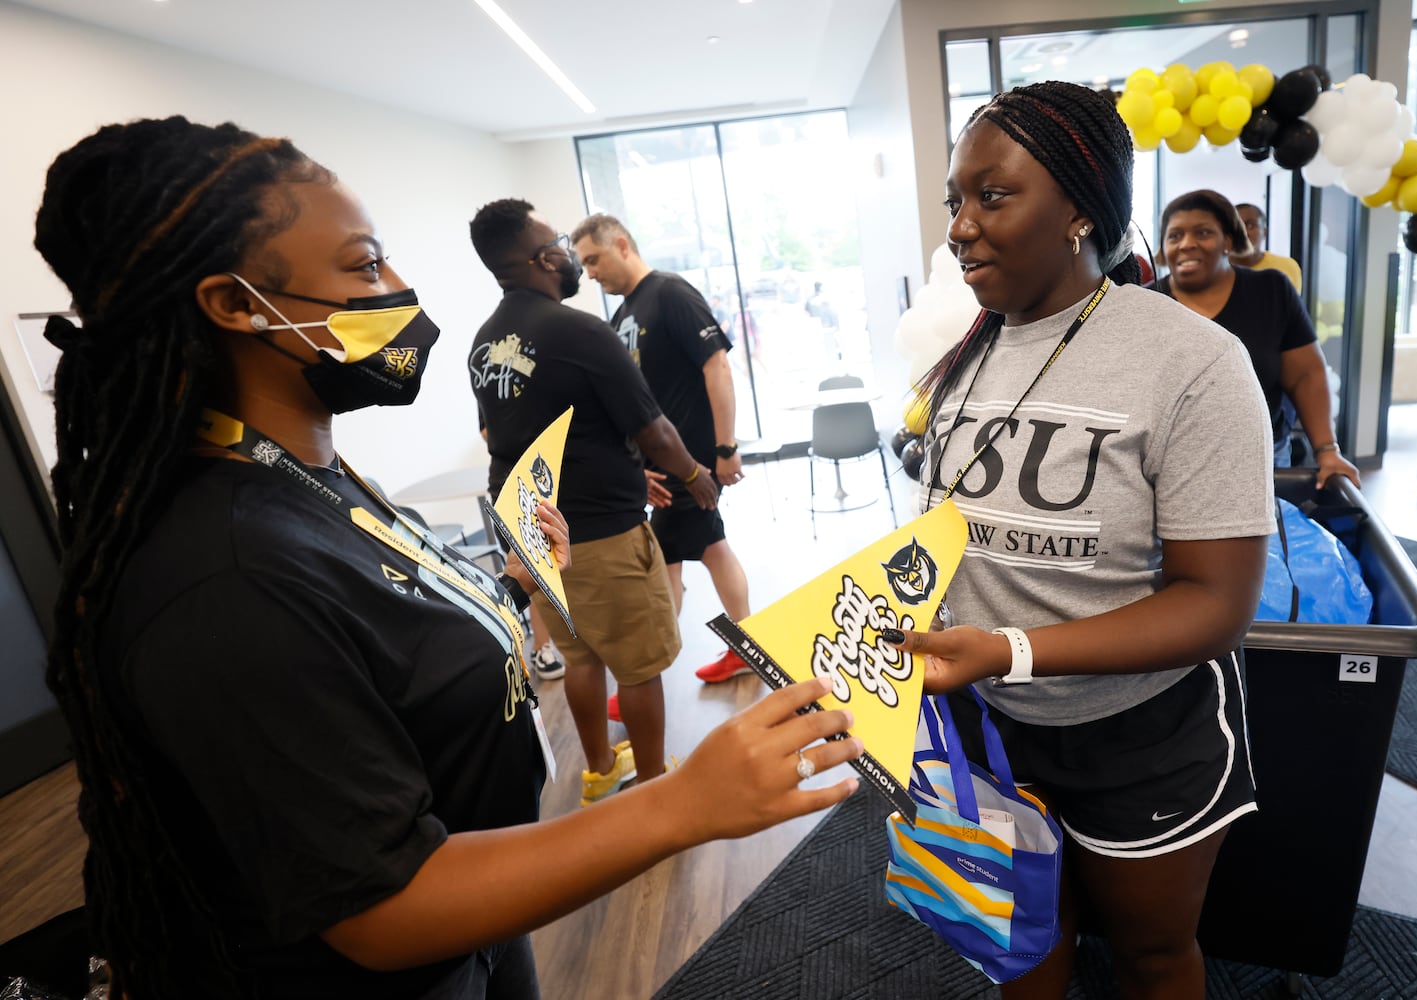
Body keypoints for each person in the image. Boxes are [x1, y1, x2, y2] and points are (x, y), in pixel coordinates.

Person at [35, 116, 860, 1000]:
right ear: (237, 305)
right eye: (362, 267)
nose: (399, 290)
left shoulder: (309, 476)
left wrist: (508, 578)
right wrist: (682, 802)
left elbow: (377, 641)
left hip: (483, 932)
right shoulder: (224, 578)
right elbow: (383, 908)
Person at [888, 82, 1275, 1000]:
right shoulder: (966, 353)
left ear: (1078, 209)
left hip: (1139, 730)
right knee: (1020, 936)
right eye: (955, 200)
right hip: (986, 724)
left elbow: (1217, 606)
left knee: (1148, 954)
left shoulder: (1194, 361)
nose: (959, 227)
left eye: (992, 196)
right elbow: (955, 536)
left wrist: (1010, 649)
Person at [470, 199, 723, 801]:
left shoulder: (483, 344)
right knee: (637, 663)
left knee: (580, 657)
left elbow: (501, 432)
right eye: (556, 241)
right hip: (600, 535)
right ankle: (657, 790)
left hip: (534, 533)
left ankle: (600, 768)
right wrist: (694, 476)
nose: (565, 252)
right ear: (540, 259)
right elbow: (653, 429)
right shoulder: (581, 330)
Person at [571, 214, 754, 690]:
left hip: (689, 459)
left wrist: (725, 447)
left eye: (593, 259)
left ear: (623, 245)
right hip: (660, 464)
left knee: (680, 553)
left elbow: (717, 366)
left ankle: (654, 676)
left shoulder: (670, 293)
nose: (589, 272)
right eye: (583, 263)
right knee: (697, 549)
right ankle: (740, 648)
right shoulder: (622, 314)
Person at [1150, 190, 1360, 487]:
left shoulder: (1271, 290)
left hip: (1262, 460)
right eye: (1174, 236)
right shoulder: (1146, 302)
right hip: (1169, 465)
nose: (1186, 244)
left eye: (1203, 232)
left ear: (1229, 241)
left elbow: (1306, 376)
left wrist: (1327, 451)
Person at [479, 409, 565, 680]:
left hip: (555, 480)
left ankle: (548, 647)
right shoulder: (486, 366)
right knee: (533, 568)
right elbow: (485, 429)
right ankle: (541, 647)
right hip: (518, 486)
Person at [1232, 202, 1304, 293]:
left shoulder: (1286, 267)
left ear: (1264, 232)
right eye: (1236, 226)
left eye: (1250, 226)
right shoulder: (1213, 271)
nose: (1244, 232)